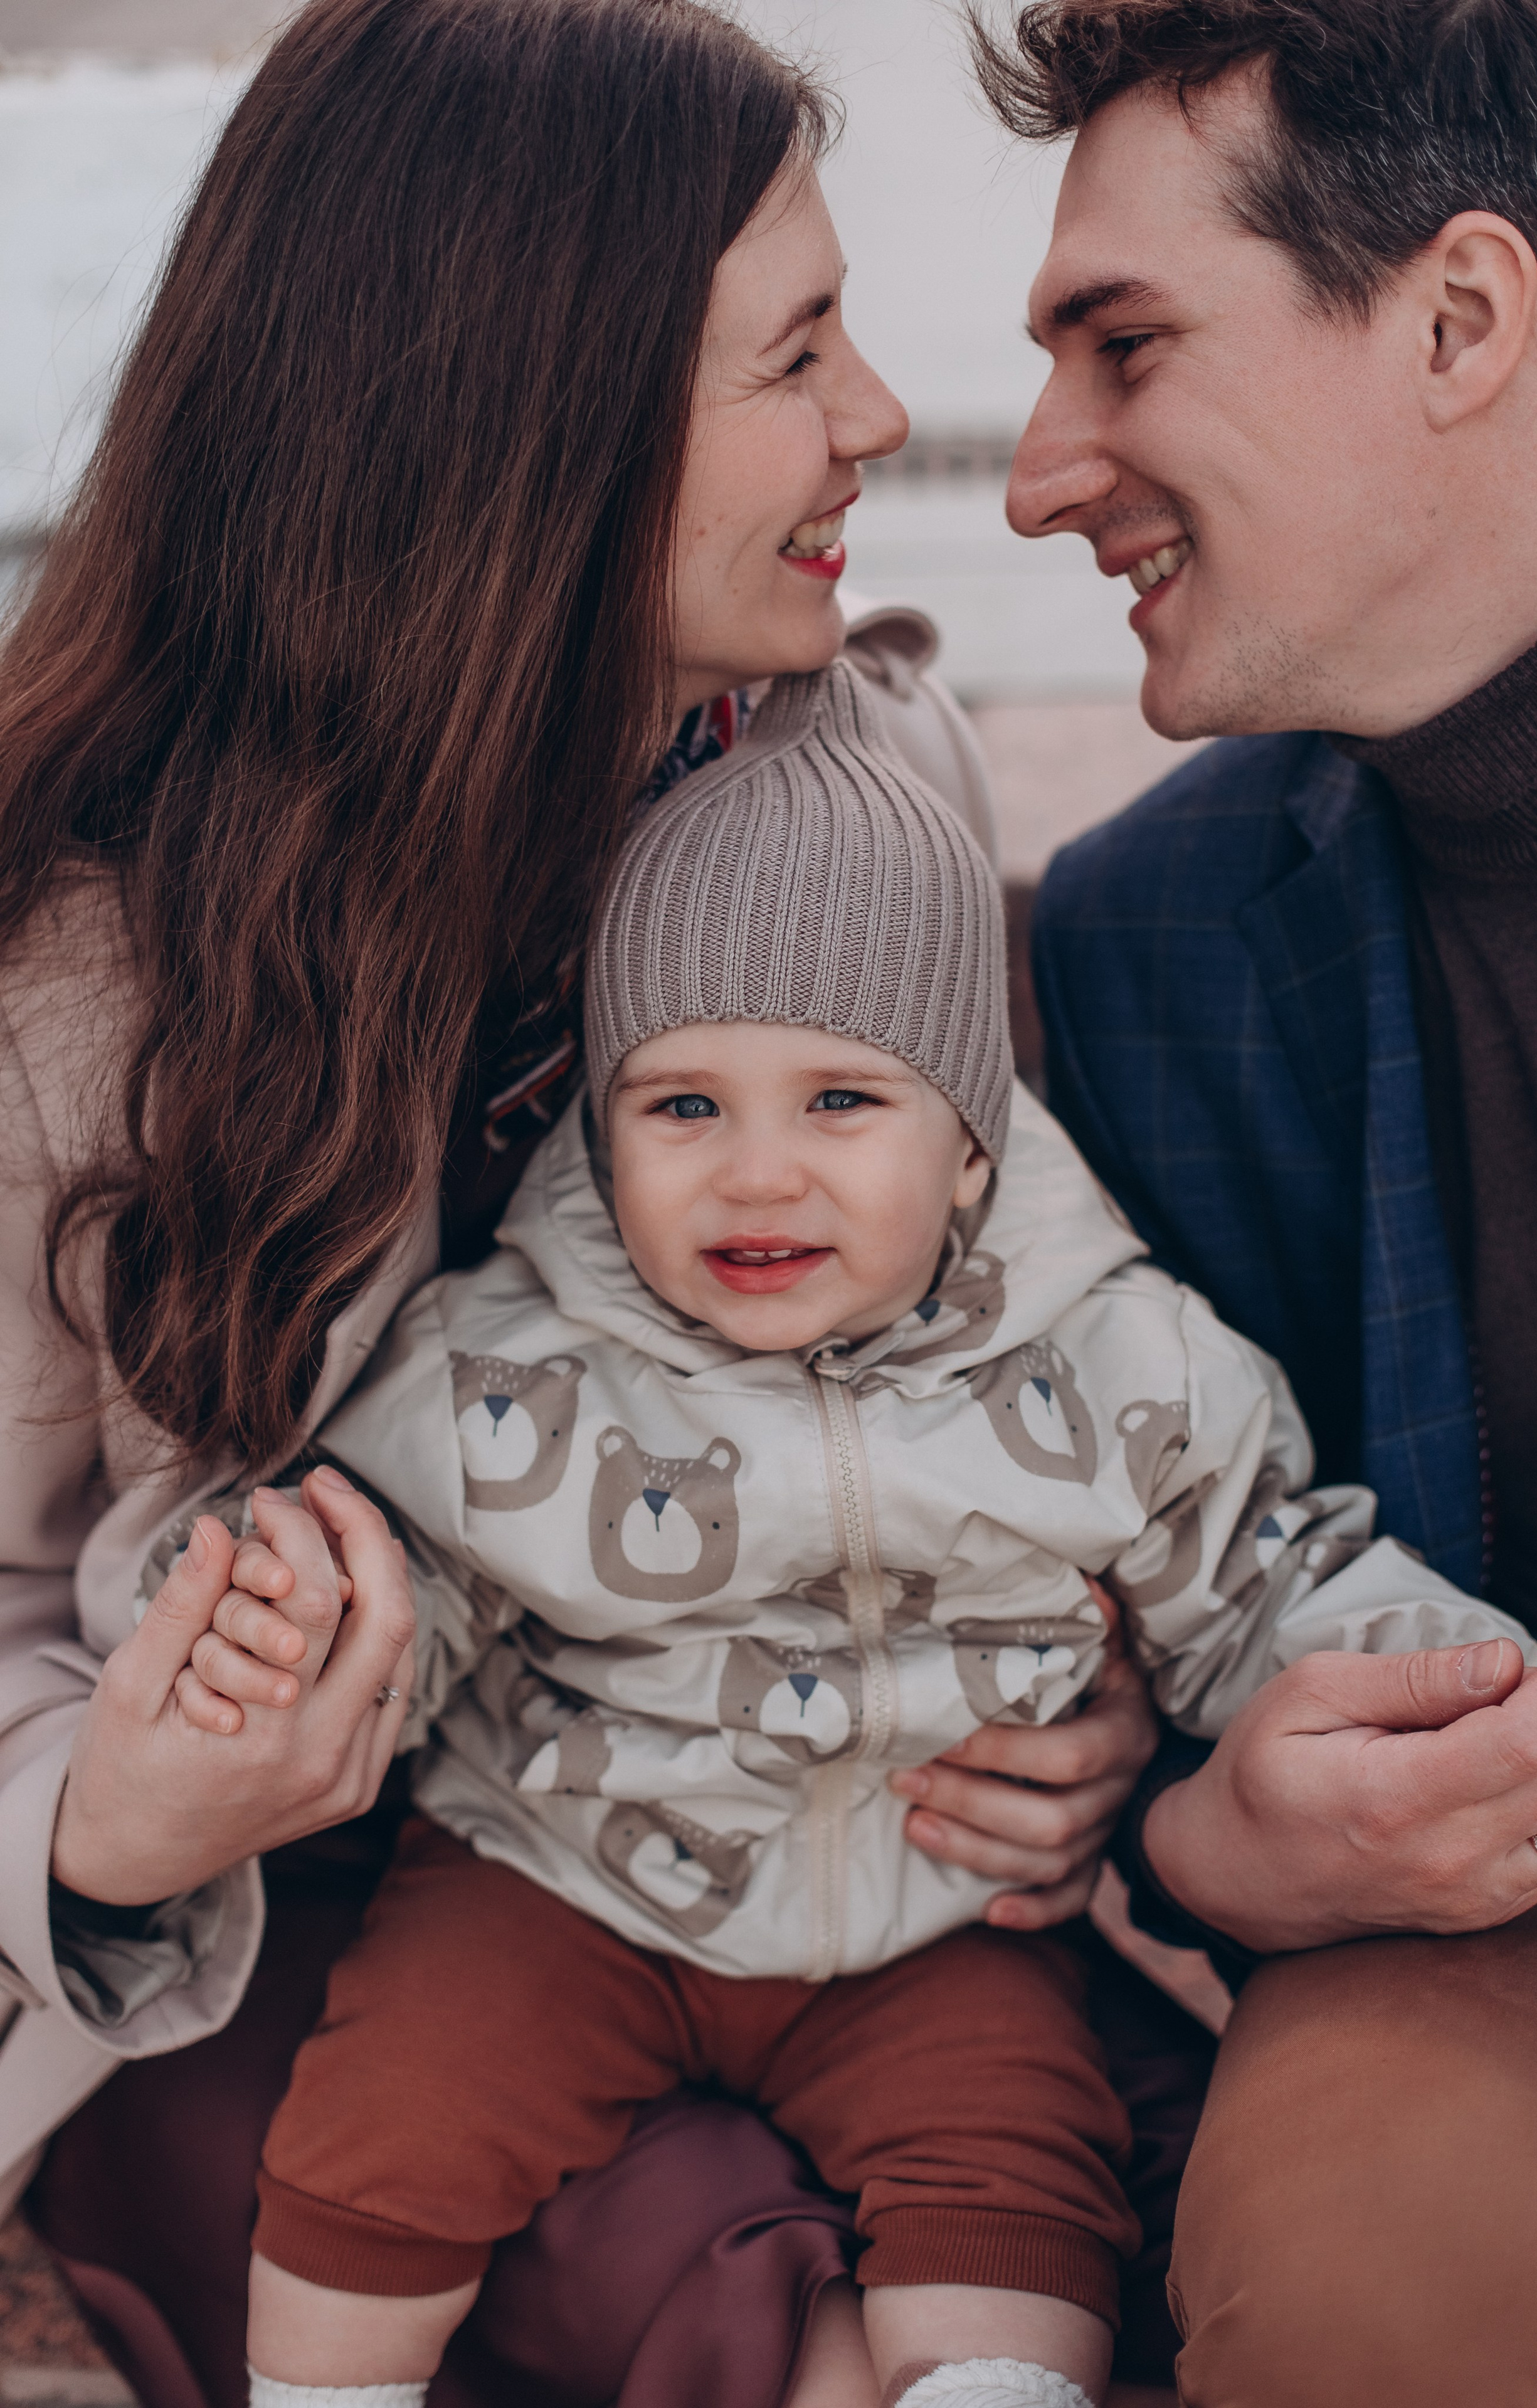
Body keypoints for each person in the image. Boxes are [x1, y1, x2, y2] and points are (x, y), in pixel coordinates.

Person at [0, 5, 1170, 2405]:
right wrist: (106, 1821)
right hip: (309, 1938)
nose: (876, 417)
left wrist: (1098, 1706)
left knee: (1084, 2221)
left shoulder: (872, 782)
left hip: (837, 1849)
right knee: (748, 2306)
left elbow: (1015, 1363)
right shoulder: (79, 963)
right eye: (796, 353)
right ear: (524, 424)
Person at [169, 658, 1528, 2408]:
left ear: (970, 1147)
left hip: (935, 1907)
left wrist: (1454, 1683)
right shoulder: (513, 1361)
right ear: (602, 1128)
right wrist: (303, 1627)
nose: (755, 1174)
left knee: (1017, 2173)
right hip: (561, 1876)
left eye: (840, 1103)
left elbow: (1261, 1565)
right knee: (385, 2120)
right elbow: (410, 1586)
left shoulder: (1115, 1362)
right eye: (683, 1106)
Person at [970, 0, 1537, 2395]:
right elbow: (1147, 1668)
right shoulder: (1154, 939)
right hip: (1530, 1922)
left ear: (1460, 319)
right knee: (1373, 2254)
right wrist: (1213, 1845)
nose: (1040, 476)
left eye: (1123, 346)